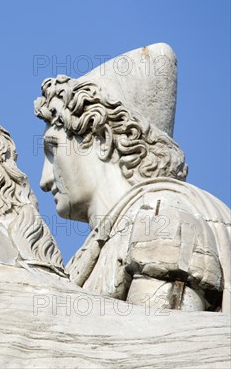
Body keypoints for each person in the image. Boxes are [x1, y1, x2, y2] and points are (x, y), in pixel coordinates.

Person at [34, 43, 230, 312]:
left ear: (101, 138)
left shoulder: (161, 216)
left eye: (53, 150)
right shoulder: (95, 249)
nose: (44, 180)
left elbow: (161, 344)